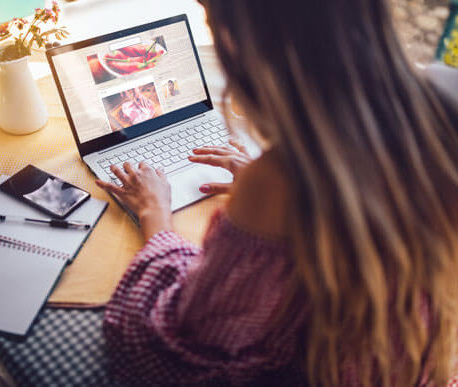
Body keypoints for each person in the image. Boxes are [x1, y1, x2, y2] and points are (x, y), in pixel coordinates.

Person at [96, 0, 458, 385]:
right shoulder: (444, 99)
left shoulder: (280, 178)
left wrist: (156, 212)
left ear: (249, 45)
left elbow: (187, 339)